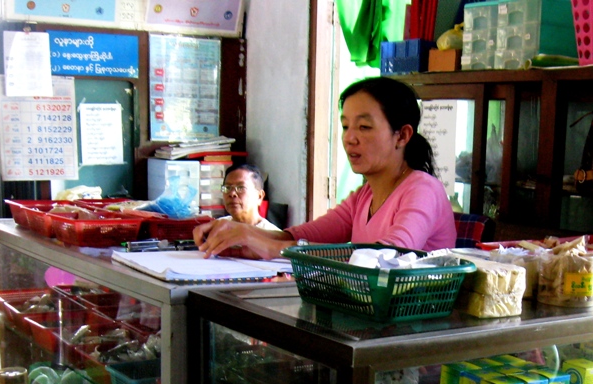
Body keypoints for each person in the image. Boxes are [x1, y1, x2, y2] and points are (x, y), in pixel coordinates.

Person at [193, 76, 456, 259]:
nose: (349, 137)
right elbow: (299, 236)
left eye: (364, 127)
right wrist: (240, 233)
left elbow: (386, 256)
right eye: (345, 126)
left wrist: (270, 247)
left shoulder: (422, 189)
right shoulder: (364, 196)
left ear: (402, 135)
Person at [219, 164, 281, 231]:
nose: (232, 193)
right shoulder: (218, 227)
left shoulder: (272, 236)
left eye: (241, 187)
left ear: (259, 196)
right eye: (227, 188)